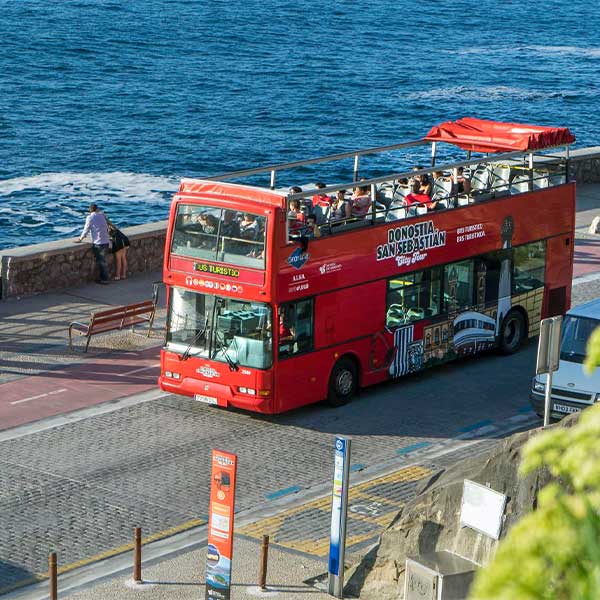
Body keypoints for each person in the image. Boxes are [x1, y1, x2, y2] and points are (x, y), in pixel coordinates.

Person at [75, 203, 110, 284]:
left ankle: (104, 279)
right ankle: (103, 278)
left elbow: (86, 229)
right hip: (106, 241)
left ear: (90, 210)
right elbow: (107, 226)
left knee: (101, 262)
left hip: (98, 242)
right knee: (103, 261)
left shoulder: (90, 217)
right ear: (97, 209)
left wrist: (80, 239)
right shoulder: (102, 215)